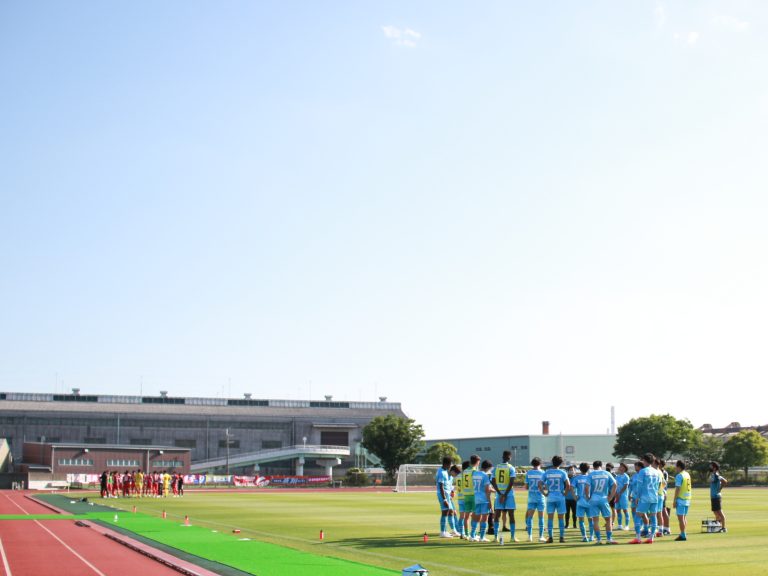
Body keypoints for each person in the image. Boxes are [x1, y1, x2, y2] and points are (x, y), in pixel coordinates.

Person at [629, 453, 662, 544]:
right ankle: (651, 538)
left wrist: (637, 497)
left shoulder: (643, 471)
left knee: (638, 516)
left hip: (644, 497)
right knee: (653, 516)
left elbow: (639, 486)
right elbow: (659, 484)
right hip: (654, 497)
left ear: (645, 460)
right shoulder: (656, 471)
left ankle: (638, 538)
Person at [540, 455, 570, 543]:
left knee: (550, 518)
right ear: (561, 463)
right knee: (561, 518)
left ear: (552, 462)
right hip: (560, 497)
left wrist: (544, 493)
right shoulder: (563, 472)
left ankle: (550, 537)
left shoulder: (547, 472)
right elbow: (568, 485)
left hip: (550, 497)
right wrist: (565, 493)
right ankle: (561, 537)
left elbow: (539, 484)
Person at [587, 460, 617, 544]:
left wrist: (588, 498)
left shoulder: (591, 474)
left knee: (595, 520)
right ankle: (609, 539)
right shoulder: (606, 473)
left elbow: (586, 487)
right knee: (608, 519)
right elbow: (615, 484)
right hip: (604, 499)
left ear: (593, 467)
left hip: (593, 499)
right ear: (601, 466)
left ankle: (599, 539)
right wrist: (610, 497)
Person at [491, 450, 517, 542]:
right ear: (509, 458)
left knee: (497, 514)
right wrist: (505, 494)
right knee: (511, 514)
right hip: (508, 494)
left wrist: (499, 493)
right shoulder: (511, 468)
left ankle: (495, 537)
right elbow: (511, 481)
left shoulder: (496, 468)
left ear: (502, 457)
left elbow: (492, 481)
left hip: (499, 494)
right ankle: (512, 537)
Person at [525, 457, 547, 542]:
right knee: (541, 517)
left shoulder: (529, 473)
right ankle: (541, 536)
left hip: (531, 497)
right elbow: (545, 485)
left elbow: (526, 487)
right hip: (540, 497)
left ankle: (529, 536)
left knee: (530, 517)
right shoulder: (543, 473)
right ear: (540, 464)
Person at [470, 460, 494, 542]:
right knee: (484, 518)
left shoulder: (474, 474)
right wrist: (490, 502)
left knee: (476, 518)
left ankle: (472, 536)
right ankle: (482, 537)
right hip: (484, 499)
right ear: (488, 468)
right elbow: (487, 490)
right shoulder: (485, 476)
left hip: (475, 498)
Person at [572, 462, 594, 542]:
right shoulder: (591, 477)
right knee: (591, 519)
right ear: (588, 469)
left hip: (580, 501)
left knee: (581, 520)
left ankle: (584, 537)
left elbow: (571, 487)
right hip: (589, 501)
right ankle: (591, 536)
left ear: (580, 469)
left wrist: (574, 496)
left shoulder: (576, 478)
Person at [436, 456, 457, 538]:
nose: (450, 466)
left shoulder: (444, 471)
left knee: (450, 511)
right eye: (450, 464)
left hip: (447, 494)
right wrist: (444, 499)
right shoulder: (441, 472)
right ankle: (442, 532)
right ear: (446, 464)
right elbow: (441, 486)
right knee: (445, 512)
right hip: (443, 494)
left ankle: (452, 531)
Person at [460, 456, 479, 539]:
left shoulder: (465, 471)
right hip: (473, 495)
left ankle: (466, 534)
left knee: (466, 516)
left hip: (466, 495)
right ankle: (473, 534)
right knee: (474, 515)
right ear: (477, 462)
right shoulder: (474, 471)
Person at [673, 460, 692, 541]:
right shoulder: (687, 474)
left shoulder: (679, 475)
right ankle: (683, 533)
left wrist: (674, 500)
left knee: (681, 519)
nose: (675, 468)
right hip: (687, 498)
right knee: (683, 518)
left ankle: (683, 535)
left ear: (679, 467)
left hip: (681, 499)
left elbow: (678, 488)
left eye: (676, 466)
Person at [709, 461, 728, 533]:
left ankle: (723, 528)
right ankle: (718, 527)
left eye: (711, 466)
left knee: (719, 512)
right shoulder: (713, 474)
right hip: (713, 496)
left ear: (714, 467)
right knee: (715, 512)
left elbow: (725, 481)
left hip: (716, 496)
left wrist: (720, 488)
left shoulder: (716, 475)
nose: (709, 467)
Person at [614, 463, 631, 530]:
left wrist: (619, 493)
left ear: (624, 468)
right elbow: (615, 486)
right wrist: (616, 494)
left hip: (623, 496)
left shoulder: (626, 476)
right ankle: (620, 525)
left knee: (625, 510)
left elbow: (625, 486)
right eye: (620, 466)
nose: (619, 467)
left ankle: (627, 525)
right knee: (618, 510)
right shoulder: (617, 477)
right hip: (617, 495)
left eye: (621, 466)